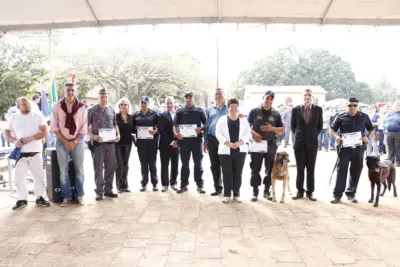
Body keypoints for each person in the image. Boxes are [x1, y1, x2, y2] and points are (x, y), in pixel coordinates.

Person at [5, 97, 50, 210]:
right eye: (23, 104)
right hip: (20, 153)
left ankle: (40, 197)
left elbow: (45, 131)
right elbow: (6, 132)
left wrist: (33, 138)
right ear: (18, 106)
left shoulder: (38, 116)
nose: (27, 106)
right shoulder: (13, 118)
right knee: (19, 178)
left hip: (35, 152)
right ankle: (22, 199)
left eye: (27, 104)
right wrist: (15, 141)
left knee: (39, 177)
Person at [330, 97, 374, 204]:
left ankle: (351, 194)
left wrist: (367, 137)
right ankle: (337, 195)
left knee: (356, 171)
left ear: (358, 106)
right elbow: (332, 130)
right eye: (350, 105)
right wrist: (336, 137)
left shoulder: (364, 117)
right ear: (346, 106)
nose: (352, 107)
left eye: (355, 105)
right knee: (341, 171)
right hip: (344, 149)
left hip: (359, 149)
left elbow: (371, 130)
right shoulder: (340, 117)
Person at [51, 82, 87, 206]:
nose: (70, 92)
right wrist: (66, 141)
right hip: (62, 142)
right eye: (68, 90)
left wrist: (75, 141)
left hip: (78, 141)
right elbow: (54, 128)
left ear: (75, 91)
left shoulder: (82, 106)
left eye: (72, 90)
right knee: (63, 171)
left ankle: (79, 195)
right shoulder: (57, 106)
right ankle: (66, 197)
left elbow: (84, 127)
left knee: (79, 170)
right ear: (64, 92)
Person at [247, 90, 284, 202]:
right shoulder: (254, 111)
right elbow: (246, 126)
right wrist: (253, 133)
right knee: (255, 168)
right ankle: (255, 191)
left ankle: (266, 190)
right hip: (257, 144)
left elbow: (282, 129)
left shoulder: (276, 114)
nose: (268, 101)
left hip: (271, 145)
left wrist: (271, 128)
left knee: (269, 169)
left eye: (271, 99)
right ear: (263, 98)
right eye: (267, 98)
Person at [215, 98, 251, 203]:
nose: (234, 108)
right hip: (225, 150)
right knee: (226, 173)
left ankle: (236, 194)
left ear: (238, 107)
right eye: (231, 106)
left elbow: (247, 133)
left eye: (235, 106)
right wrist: (228, 143)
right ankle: (227, 194)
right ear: (228, 107)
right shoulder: (222, 119)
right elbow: (218, 134)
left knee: (238, 173)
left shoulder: (243, 119)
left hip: (240, 150)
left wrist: (239, 142)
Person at [87, 89, 120, 201]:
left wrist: (118, 134)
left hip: (110, 144)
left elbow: (115, 124)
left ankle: (108, 190)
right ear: (98, 97)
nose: (104, 99)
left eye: (105, 97)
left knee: (111, 166)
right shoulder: (92, 110)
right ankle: (99, 192)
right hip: (98, 143)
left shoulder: (111, 109)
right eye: (102, 97)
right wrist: (93, 136)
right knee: (98, 168)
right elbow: (86, 128)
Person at [291, 89, 322, 201]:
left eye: (309, 95)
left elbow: (319, 126)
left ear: (312, 97)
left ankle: (310, 192)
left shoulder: (318, 110)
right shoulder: (296, 109)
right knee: (300, 169)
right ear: (302, 97)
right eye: (305, 95)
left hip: (312, 144)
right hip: (299, 144)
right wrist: (300, 136)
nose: (307, 97)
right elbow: (293, 126)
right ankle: (299, 191)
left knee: (311, 168)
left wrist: (311, 136)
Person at [173, 91, 207, 194]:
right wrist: (176, 134)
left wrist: (200, 129)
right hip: (184, 142)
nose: (188, 99)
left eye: (190, 97)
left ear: (193, 98)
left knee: (198, 164)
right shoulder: (180, 111)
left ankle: (200, 185)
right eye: (186, 97)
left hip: (196, 141)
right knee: (184, 164)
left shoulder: (199, 110)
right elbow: (175, 125)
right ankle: (183, 185)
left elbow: (206, 125)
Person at [204, 88, 228, 196]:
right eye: (216, 94)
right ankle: (217, 187)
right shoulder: (210, 110)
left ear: (224, 96)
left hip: (224, 140)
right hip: (212, 139)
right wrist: (205, 142)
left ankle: (228, 188)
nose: (218, 96)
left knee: (225, 164)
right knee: (214, 165)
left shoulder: (229, 109)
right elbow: (207, 126)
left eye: (220, 94)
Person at [133, 96, 159, 192]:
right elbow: (133, 128)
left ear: (148, 103)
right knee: (143, 164)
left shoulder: (154, 114)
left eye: (145, 102)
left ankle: (155, 184)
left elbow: (158, 127)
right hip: (141, 143)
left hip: (152, 142)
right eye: (142, 102)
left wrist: (156, 130)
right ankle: (144, 184)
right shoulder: (136, 114)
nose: (143, 104)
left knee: (152, 163)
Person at [158, 96, 179, 192]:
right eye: (167, 103)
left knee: (175, 164)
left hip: (176, 144)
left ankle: (173, 183)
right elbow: (162, 131)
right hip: (165, 144)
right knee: (164, 164)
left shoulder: (179, 114)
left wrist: (177, 141)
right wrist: (171, 141)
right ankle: (165, 184)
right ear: (165, 105)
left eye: (171, 103)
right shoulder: (161, 115)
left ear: (174, 103)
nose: (170, 105)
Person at [115, 97, 134, 193]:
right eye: (121, 104)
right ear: (119, 106)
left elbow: (134, 130)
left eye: (125, 104)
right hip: (118, 143)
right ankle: (118, 185)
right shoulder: (115, 116)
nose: (123, 106)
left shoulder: (131, 117)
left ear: (128, 106)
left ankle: (125, 185)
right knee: (119, 164)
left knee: (126, 164)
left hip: (128, 143)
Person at [386, 101, 400, 166]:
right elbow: (387, 121)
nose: (398, 106)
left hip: (398, 133)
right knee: (390, 147)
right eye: (397, 105)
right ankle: (391, 161)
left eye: (399, 105)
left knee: (398, 148)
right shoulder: (391, 113)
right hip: (389, 133)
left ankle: (398, 162)